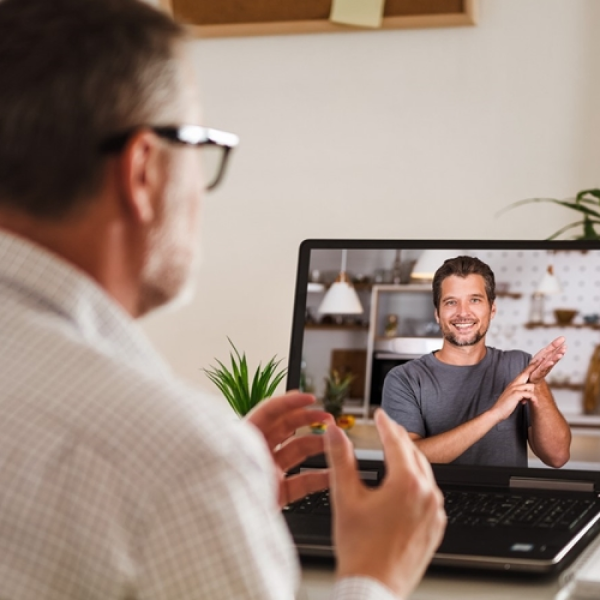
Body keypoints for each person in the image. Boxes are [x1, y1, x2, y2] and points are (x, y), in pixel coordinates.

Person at [0, 1, 446, 599]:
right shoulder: (176, 459)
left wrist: (215, 504)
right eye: (200, 143)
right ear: (143, 171)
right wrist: (376, 574)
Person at [382, 255, 571, 468]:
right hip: (433, 501)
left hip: (506, 502)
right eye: (451, 302)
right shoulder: (405, 379)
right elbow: (406, 461)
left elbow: (557, 457)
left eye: (475, 300)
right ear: (437, 313)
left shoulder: (519, 366)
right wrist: (495, 414)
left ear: (492, 309)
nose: (463, 313)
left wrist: (537, 386)